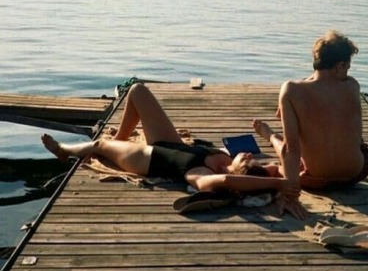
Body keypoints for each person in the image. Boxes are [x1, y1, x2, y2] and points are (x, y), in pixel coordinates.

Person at [41, 82, 296, 200]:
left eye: (247, 160)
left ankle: (65, 150)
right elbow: (283, 165)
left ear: (239, 170)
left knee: (100, 145)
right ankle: (119, 141)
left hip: (149, 159)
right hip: (171, 143)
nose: (249, 156)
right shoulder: (227, 159)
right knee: (138, 91)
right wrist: (271, 138)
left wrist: (278, 184)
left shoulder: (204, 176)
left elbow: (229, 182)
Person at [253, 30, 368, 220]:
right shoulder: (352, 85)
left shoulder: (291, 90)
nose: (347, 73)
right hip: (356, 173)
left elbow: (291, 149)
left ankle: (271, 136)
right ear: (340, 66)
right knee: (355, 140)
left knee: (287, 149)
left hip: (315, 179)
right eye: (347, 67)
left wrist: (291, 197)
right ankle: (273, 137)